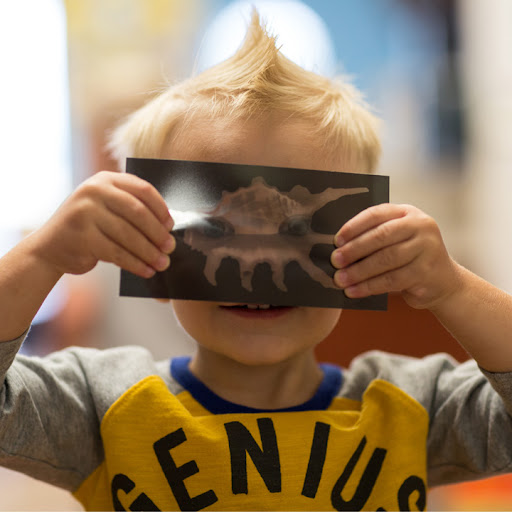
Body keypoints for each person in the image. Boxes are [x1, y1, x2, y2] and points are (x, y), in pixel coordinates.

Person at [1, 12, 512, 511]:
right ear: (152, 257)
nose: (260, 264)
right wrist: (43, 255)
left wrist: (453, 289)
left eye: (297, 230)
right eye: (214, 229)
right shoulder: (103, 404)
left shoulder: (411, 407)